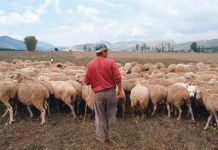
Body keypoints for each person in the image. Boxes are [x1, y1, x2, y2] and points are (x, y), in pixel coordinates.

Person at [84, 43, 123, 143]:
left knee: (100, 115)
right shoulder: (111, 63)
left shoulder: (90, 64)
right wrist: (120, 90)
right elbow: (118, 78)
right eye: (107, 51)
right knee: (111, 115)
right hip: (111, 93)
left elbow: (87, 81)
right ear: (103, 52)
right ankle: (109, 136)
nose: (108, 53)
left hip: (98, 94)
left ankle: (101, 137)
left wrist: (95, 80)